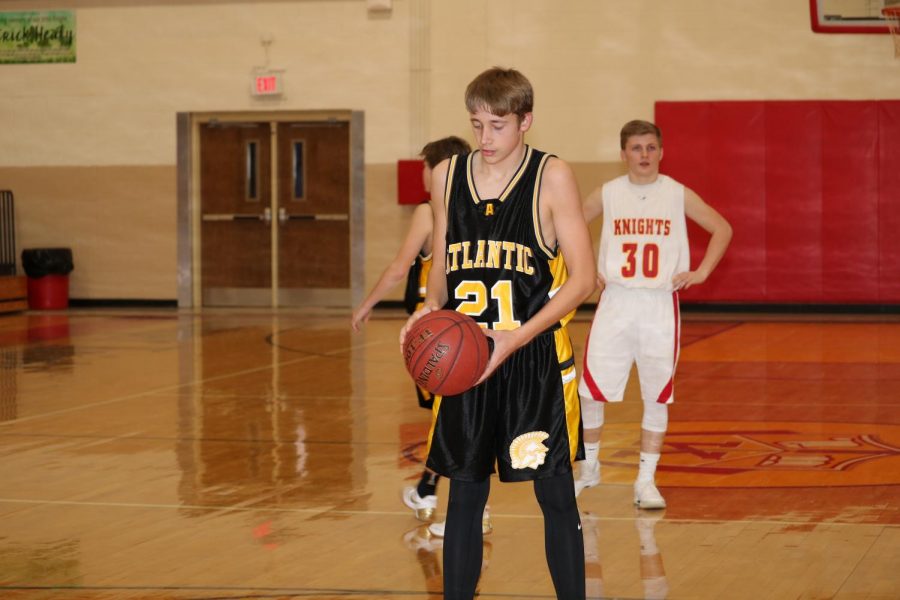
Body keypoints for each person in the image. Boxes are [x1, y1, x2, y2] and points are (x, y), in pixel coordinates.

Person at [400, 66, 596, 600]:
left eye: (498, 125)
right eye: (476, 124)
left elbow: (583, 280)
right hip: (466, 363)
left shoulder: (551, 176)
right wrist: (427, 310)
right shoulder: (448, 176)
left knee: (555, 496)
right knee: (464, 494)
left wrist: (514, 337)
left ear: (526, 121)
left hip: (533, 362)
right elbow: (441, 265)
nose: (485, 138)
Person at [575, 119, 733, 509]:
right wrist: (580, 265)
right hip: (616, 300)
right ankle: (590, 467)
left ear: (661, 152)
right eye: (636, 148)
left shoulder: (677, 194)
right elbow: (567, 225)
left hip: (659, 305)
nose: (644, 155)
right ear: (623, 153)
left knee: (656, 396)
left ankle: (646, 481)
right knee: (589, 391)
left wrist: (701, 272)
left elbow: (722, 228)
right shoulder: (609, 193)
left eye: (650, 147)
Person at [351, 136, 473, 524]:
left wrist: (366, 304)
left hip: (437, 330)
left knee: (448, 418)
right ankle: (433, 491)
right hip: (472, 327)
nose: (421, 173)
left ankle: (446, 499)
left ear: (438, 170)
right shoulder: (478, 209)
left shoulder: (429, 212)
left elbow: (400, 268)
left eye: (425, 166)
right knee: (459, 416)